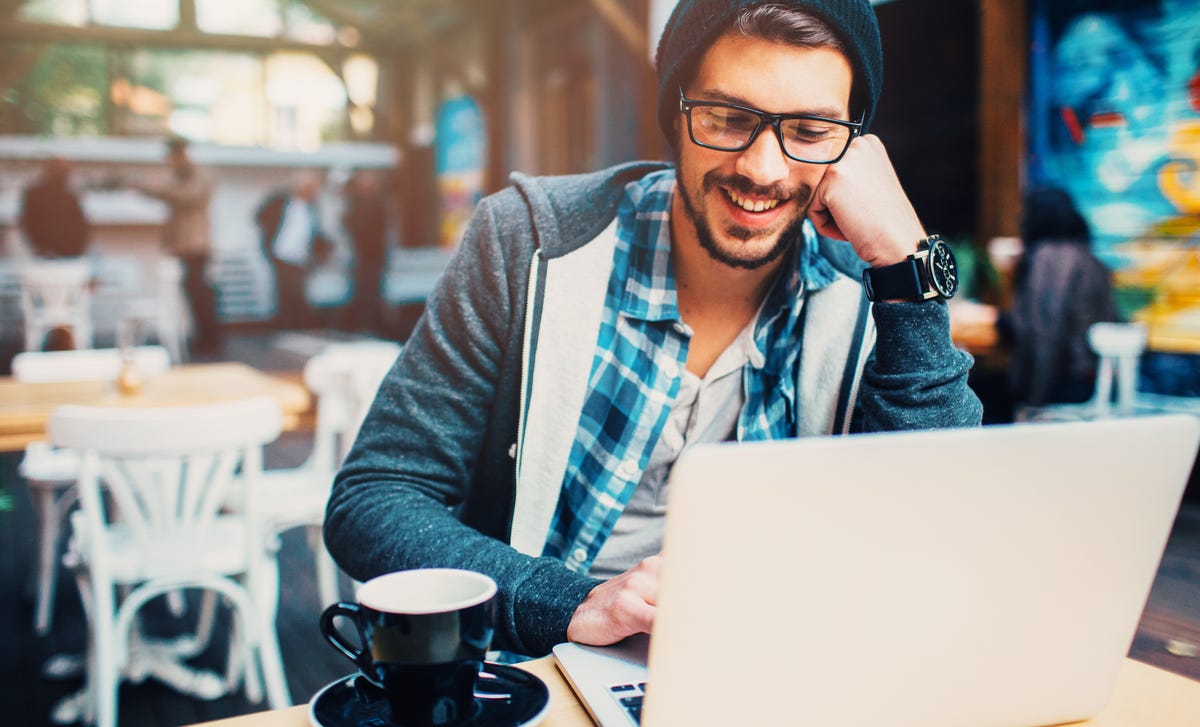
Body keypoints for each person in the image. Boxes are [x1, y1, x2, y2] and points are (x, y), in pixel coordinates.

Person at [325, 0, 983, 659]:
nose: (762, 168)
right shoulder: (527, 242)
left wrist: (912, 271)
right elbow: (375, 497)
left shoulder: (876, 287)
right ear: (676, 115)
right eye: (728, 118)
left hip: (777, 676)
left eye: (810, 131)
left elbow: (937, 529)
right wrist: (567, 601)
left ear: (853, 148)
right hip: (542, 675)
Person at [1003, 186, 1119, 407]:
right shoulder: (1086, 257)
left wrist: (1033, 400)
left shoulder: (1050, 257)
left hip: (1064, 382)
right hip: (1090, 381)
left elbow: (1044, 332)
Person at [130, 137, 223, 356]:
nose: (169, 161)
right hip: (183, 246)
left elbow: (188, 197)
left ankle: (210, 340)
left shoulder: (199, 176)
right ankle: (202, 338)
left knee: (200, 293)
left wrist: (153, 189)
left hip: (196, 245)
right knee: (192, 292)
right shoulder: (179, 178)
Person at [255, 170, 329, 330]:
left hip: (300, 258)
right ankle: (286, 329)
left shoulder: (311, 208)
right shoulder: (281, 200)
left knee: (296, 295)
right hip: (281, 255)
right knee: (286, 295)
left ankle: (295, 329)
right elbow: (260, 216)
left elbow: (315, 232)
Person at [341, 169, 390, 333]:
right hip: (362, 254)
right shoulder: (356, 203)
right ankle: (364, 324)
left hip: (372, 254)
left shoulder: (376, 204)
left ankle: (370, 325)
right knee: (363, 290)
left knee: (371, 291)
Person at [19, 156, 89, 259]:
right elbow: (29, 222)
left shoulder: (70, 195)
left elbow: (80, 224)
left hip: (70, 252)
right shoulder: (35, 194)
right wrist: (42, 247)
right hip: (47, 251)